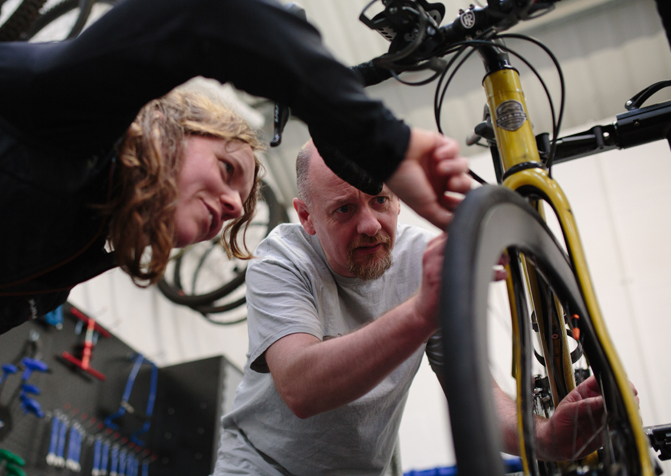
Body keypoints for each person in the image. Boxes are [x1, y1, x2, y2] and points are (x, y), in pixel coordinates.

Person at [0, 0, 470, 428]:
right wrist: (384, 145)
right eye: (225, 173)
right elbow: (215, 15)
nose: (227, 210)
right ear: (166, 127)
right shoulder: (64, 117)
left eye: (234, 212)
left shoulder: (68, 258)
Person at [212, 140, 617, 476]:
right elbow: (302, 389)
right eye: (344, 209)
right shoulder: (280, 261)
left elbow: (476, 396)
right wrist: (423, 311)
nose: (370, 224)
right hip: (259, 468)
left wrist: (544, 438)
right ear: (307, 217)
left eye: (380, 200)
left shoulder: (421, 260)